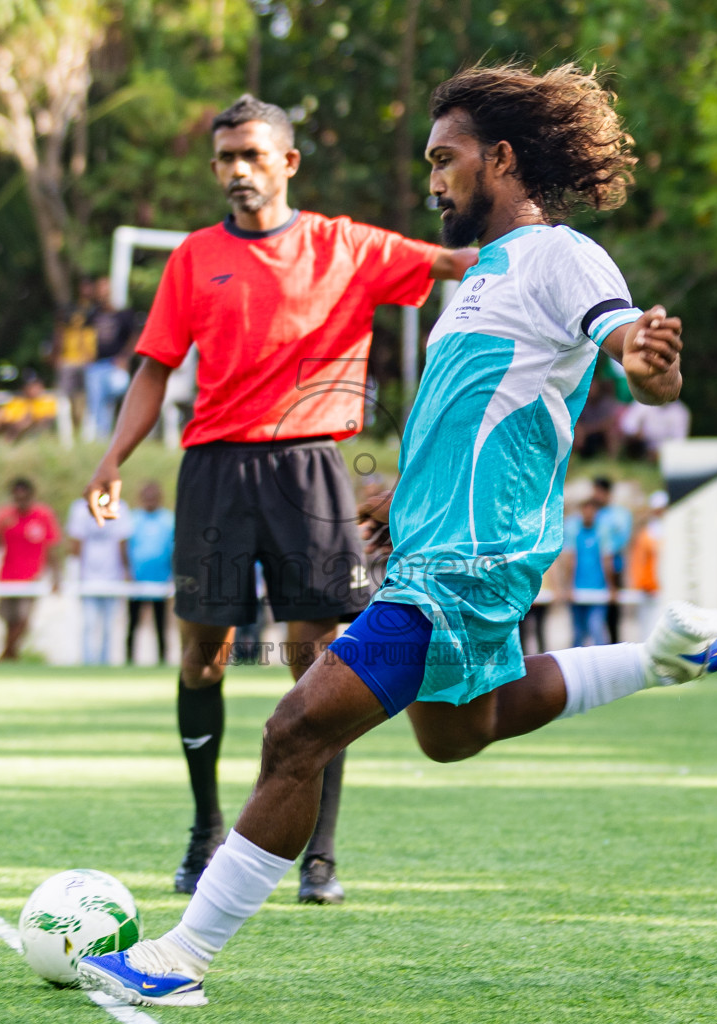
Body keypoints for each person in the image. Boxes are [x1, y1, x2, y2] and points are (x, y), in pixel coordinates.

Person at [77, 62, 717, 1007]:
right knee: (458, 730)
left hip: (470, 565)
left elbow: (633, 356)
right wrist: (398, 497)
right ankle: (663, 657)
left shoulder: (560, 254)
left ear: (504, 159)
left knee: (295, 729)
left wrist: (648, 365)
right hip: (434, 550)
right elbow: (476, 413)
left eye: (445, 159)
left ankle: (179, 962)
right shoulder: (479, 279)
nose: (432, 180)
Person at [82, 93, 476, 903]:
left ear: (287, 162)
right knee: (204, 656)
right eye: (226, 157)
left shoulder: (346, 245)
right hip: (214, 471)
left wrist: (551, 267)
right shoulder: (193, 258)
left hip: (311, 470)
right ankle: (203, 833)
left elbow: (458, 265)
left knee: (319, 665)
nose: (237, 171)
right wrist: (113, 456)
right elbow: (154, 367)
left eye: (252, 156)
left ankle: (319, 856)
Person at [0, 478, 61, 662]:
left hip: (32, 577)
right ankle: (12, 658)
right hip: (7, 576)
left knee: (23, 620)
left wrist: (56, 576)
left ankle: (4, 656)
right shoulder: (5, 516)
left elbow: (51, 547)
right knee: (9, 620)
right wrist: (1, 528)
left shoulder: (43, 515)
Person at [67, 490, 131, 666]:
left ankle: (105, 663)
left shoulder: (120, 507)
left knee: (110, 626)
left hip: (113, 576)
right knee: (89, 623)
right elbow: (75, 543)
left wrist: (126, 571)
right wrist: (74, 572)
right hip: (87, 576)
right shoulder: (80, 509)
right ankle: (88, 663)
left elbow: (122, 542)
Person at [84, 276, 140, 440]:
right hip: (96, 365)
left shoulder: (124, 314)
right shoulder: (93, 314)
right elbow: (85, 336)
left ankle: (111, 430)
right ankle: (98, 433)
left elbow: (135, 338)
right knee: (95, 396)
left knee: (116, 390)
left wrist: (125, 358)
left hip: (115, 364)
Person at [126, 481, 175, 666]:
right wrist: (127, 571)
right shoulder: (133, 519)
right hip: (136, 580)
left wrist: (173, 574)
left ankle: (163, 659)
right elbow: (124, 547)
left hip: (161, 580)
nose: (149, 501)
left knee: (161, 624)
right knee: (132, 624)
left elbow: (173, 549)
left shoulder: (168, 519)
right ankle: (129, 660)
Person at [50, 277, 99, 426]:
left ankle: (88, 429)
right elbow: (59, 332)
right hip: (69, 359)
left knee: (88, 397)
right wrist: (57, 354)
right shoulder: (70, 308)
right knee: (64, 396)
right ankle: (66, 430)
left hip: (88, 360)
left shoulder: (97, 310)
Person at [561, 499, 610, 647]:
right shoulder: (574, 531)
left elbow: (606, 560)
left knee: (596, 629)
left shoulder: (602, 532)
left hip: (598, 588)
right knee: (578, 632)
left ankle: (602, 667)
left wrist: (610, 585)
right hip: (577, 588)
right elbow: (570, 561)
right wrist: (568, 587)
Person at [591, 476, 634, 643]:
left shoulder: (620, 514)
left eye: (598, 491)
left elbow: (622, 540)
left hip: (614, 567)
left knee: (613, 615)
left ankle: (615, 646)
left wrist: (606, 548)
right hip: (594, 569)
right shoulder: (594, 512)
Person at [627, 491, 668, 637]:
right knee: (647, 631)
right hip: (648, 588)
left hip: (663, 589)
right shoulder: (647, 532)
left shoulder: (667, 529)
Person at [619, 397, 690, 461]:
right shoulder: (642, 402)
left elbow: (679, 441)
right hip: (640, 446)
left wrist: (659, 452)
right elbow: (627, 424)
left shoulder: (680, 412)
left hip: (664, 453)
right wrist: (636, 432)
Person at [0, 372, 60, 442]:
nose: (32, 389)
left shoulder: (49, 401)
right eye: (29, 386)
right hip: (15, 431)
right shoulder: (17, 402)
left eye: (35, 386)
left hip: (40, 431)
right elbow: (5, 418)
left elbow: (50, 418)